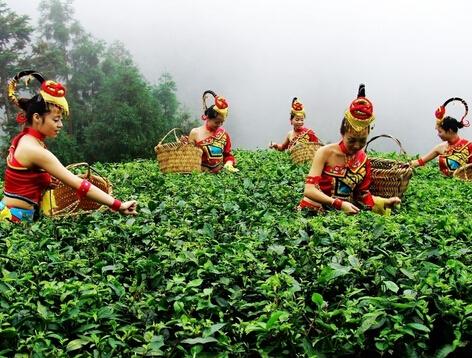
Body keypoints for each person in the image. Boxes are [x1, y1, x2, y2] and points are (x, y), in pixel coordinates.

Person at [0, 70, 137, 223]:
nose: (60, 125)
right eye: (56, 119)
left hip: (14, 215)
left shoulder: (26, 139)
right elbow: (80, 185)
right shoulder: (34, 150)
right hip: (13, 219)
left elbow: (24, 178)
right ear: (37, 118)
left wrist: (45, 181)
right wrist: (118, 205)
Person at [299, 84, 400, 215]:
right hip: (317, 208)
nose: (357, 146)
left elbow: (361, 196)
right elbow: (309, 190)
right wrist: (337, 204)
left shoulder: (363, 160)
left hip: (343, 212)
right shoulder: (325, 153)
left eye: (362, 141)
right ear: (342, 133)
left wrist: (385, 202)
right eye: (351, 140)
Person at [409, 98, 471, 176]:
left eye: (440, 132)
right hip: (445, 183)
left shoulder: (468, 146)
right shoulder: (440, 148)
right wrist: (405, 165)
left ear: (450, 130)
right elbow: (420, 161)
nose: (438, 134)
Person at [188, 90, 238, 173]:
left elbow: (227, 155)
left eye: (222, 122)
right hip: (200, 177)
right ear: (208, 118)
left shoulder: (223, 134)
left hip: (219, 176)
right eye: (216, 122)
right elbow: (190, 157)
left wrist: (229, 164)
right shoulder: (195, 133)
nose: (219, 125)